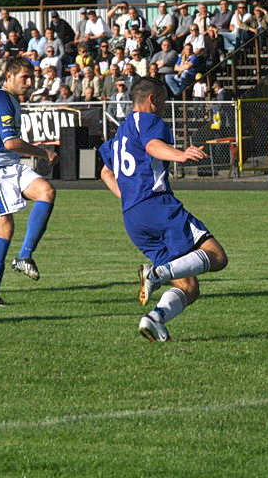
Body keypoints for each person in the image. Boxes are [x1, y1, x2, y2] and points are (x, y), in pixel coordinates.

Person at [98, 78, 228, 342]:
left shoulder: (120, 132)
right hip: (157, 206)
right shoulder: (148, 120)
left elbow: (105, 172)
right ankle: (155, 274)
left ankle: (155, 319)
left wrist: (130, 197)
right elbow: (152, 146)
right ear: (153, 100)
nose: (164, 106)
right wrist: (181, 154)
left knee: (189, 286)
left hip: (132, 217)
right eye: (164, 101)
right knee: (217, 256)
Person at [0, 57, 59, 306]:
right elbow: (10, 142)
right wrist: (44, 152)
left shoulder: (8, 100)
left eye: (32, 78)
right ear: (8, 76)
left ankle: (24, 256)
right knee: (5, 229)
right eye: (25, 78)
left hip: (9, 164)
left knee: (46, 191)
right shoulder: (1, 98)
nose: (30, 83)